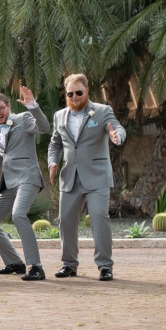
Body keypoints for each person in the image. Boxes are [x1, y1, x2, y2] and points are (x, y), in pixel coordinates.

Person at [47, 73, 126, 282]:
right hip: (70, 176)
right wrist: (52, 162)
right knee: (66, 221)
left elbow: (117, 128)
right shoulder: (59, 115)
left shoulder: (102, 111)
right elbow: (55, 143)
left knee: (99, 218)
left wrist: (116, 136)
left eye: (78, 93)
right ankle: (69, 264)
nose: (74, 97)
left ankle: (105, 266)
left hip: (97, 176)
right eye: (70, 93)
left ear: (87, 91)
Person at [0, 87, 50, 281]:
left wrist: (33, 106)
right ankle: (14, 262)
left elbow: (43, 127)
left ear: (8, 107)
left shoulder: (22, 119)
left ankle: (36, 267)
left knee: (18, 214)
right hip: (9, 183)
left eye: (0, 108)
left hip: (28, 178)